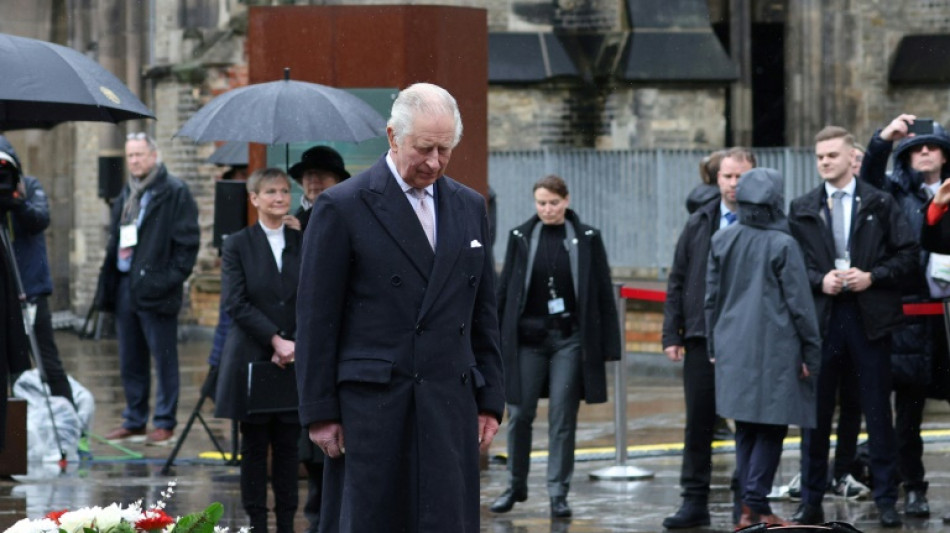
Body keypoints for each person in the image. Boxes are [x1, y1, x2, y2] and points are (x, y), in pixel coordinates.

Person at [295, 82, 504, 533]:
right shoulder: (342, 206)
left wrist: (489, 400)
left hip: (448, 403)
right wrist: (320, 412)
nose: (434, 162)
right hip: (372, 409)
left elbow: (483, 310)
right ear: (393, 137)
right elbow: (316, 319)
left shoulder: (470, 206)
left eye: (444, 150)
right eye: (424, 148)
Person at [788, 126, 918, 528]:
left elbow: (908, 255)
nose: (825, 161)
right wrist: (818, 280)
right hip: (824, 320)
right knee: (816, 415)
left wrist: (873, 276)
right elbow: (792, 265)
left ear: (850, 158)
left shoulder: (879, 203)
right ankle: (810, 499)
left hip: (869, 319)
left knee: (877, 412)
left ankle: (885, 499)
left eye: (832, 155)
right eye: (819, 156)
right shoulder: (803, 206)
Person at [489, 174, 621, 518]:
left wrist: (609, 344)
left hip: (569, 338)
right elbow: (506, 289)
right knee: (519, 414)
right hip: (528, 339)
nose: (547, 209)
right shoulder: (521, 236)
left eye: (553, 202)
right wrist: (492, 338)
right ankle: (515, 486)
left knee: (564, 416)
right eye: (541, 203)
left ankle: (557, 493)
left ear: (567, 200)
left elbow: (603, 290)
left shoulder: (587, 237)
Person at [705, 167, 821, 528]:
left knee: (746, 427)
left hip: (732, 345)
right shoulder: (783, 243)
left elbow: (710, 299)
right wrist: (811, 352)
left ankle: (748, 506)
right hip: (777, 347)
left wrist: (713, 344)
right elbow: (800, 304)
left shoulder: (722, 239)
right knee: (772, 427)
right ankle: (755, 504)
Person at [861, 113, 950, 518]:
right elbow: (868, 177)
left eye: (932, 146)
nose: (925, 152)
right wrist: (883, 139)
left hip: (946, 316)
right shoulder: (895, 194)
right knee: (909, 413)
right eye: (917, 147)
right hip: (911, 311)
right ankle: (913, 487)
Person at [661, 147, 754, 529]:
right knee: (698, 423)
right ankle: (693, 501)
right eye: (727, 177)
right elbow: (678, 278)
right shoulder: (700, 222)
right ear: (716, 179)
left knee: (748, 422)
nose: (733, 184)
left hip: (749, 338)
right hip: (701, 336)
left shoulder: (766, 221)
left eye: (740, 177)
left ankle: (745, 501)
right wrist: (673, 332)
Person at [97, 132, 199, 446]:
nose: (135, 161)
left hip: (157, 288)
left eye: (140, 154)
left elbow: (187, 247)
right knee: (130, 358)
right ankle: (135, 419)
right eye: (130, 156)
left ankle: (165, 422)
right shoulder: (128, 191)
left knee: (163, 357)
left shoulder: (174, 191)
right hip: (127, 285)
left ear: (154, 156)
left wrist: (165, 280)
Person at [214, 168, 300, 533]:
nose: (279, 198)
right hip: (253, 354)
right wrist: (275, 339)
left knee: (287, 447)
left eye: (283, 191)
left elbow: (311, 295)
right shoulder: (237, 243)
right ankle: (257, 523)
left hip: (294, 358)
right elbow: (236, 301)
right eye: (270, 192)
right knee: (254, 447)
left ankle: (285, 522)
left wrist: (294, 341)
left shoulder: (302, 241)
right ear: (254, 199)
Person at [287, 146, 350, 533]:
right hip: (295, 344)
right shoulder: (292, 223)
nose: (313, 182)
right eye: (308, 176)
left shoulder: (343, 214)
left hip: (332, 347)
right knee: (307, 443)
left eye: (321, 176)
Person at [0, 136, 73, 406]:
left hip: (30, 289)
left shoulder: (29, 187)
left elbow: (40, 220)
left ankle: (72, 431)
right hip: (4, 291)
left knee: (48, 362)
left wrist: (18, 202)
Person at [286, 145, 350, 233]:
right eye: (309, 174)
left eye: (322, 174)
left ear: (338, 180)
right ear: (301, 181)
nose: (314, 180)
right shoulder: (298, 213)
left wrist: (301, 234)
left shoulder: (349, 213)